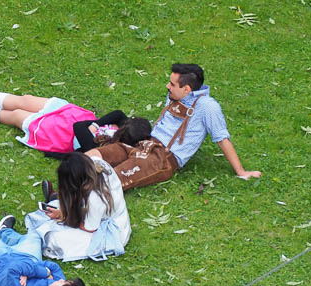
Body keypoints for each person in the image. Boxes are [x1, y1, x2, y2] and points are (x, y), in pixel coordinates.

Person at [87, 63, 262, 191]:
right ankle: (69, 183)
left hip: (163, 157)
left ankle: (72, 201)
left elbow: (222, 139)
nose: (167, 86)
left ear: (186, 89)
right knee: (95, 156)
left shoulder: (207, 107)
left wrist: (241, 171)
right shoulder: (174, 95)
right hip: (144, 142)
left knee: (112, 178)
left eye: (172, 84)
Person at [0, 74, 151, 154]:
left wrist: (92, 126)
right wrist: (96, 124)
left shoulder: (101, 151)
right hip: (71, 114)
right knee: (25, 99)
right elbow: (117, 114)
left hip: (58, 134)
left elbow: (79, 130)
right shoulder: (123, 127)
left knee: (18, 115)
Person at [30, 152, 131, 262]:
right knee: (51, 216)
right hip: (98, 213)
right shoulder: (97, 162)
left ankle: (54, 199)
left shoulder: (95, 199)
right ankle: (54, 199)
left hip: (110, 230)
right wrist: (63, 213)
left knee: (54, 239)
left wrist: (65, 217)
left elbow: (89, 227)